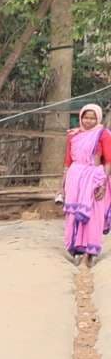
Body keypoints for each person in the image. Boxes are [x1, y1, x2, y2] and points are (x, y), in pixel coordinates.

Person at [65, 105, 106, 265]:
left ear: (98, 118)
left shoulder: (103, 135)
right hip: (74, 177)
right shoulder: (74, 135)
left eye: (92, 118)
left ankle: (90, 251)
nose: (88, 121)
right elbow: (68, 160)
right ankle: (76, 249)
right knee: (73, 214)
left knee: (92, 214)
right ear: (80, 117)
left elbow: (108, 160)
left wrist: (102, 183)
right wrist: (62, 184)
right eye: (85, 117)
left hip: (94, 177)